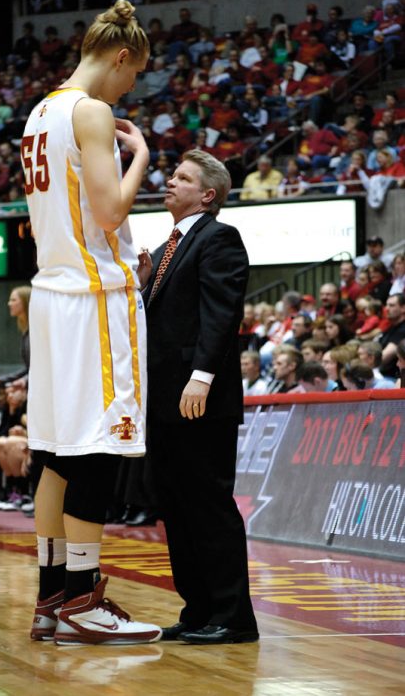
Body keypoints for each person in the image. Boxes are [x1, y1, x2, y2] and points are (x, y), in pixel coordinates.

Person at [21, 0, 161, 646]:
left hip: (50, 295)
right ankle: (83, 597)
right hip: (92, 297)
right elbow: (109, 213)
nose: (131, 87)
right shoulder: (92, 111)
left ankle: (51, 596)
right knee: (98, 452)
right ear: (121, 56)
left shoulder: (40, 110)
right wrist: (142, 157)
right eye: (135, 75)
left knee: (54, 455)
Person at [143, 149, 259, 645]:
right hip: (165, 396)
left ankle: (233, 617)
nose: (169, 182)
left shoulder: (219, 237)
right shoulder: (171, 245)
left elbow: (221, 312)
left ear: (207, 194)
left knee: (208, 504)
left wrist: (203, 375)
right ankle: (197, 610)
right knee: (176, 505)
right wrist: (147, 287)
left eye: (182, 178)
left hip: (198, 395)